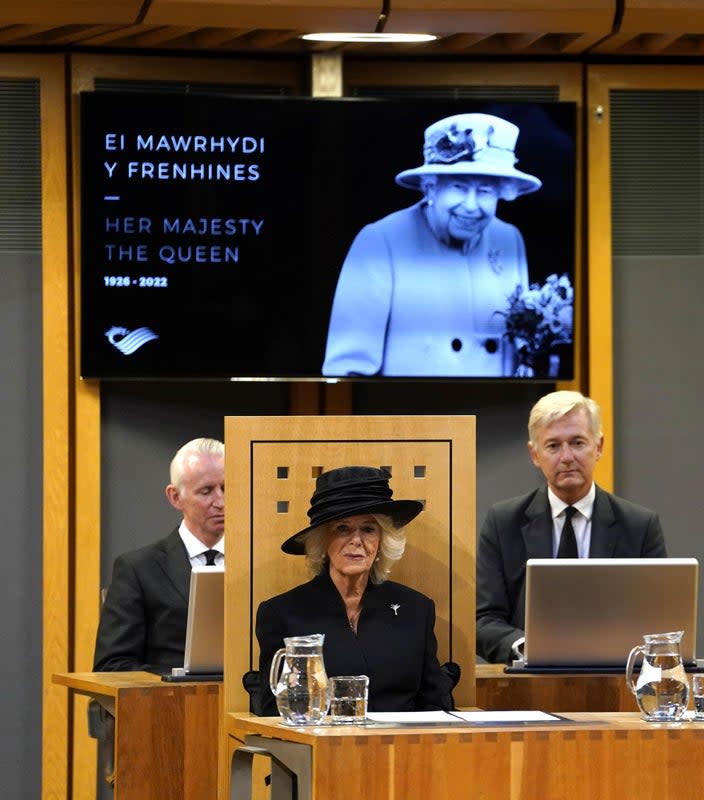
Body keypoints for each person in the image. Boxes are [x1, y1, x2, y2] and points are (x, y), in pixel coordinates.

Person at [322, 112, 542, 378]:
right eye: (459, 187)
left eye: (485, 191)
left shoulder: (509, 239)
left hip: (496, 412)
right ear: (431, 187)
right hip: (412, 414)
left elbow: (518, 355)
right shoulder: (380, 241)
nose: (471, 206)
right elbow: (348, 371)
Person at [476, 390, 668, 663]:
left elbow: (658, 620)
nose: (566, 456)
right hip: (526, 684)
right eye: (553, 446)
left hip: (614, 681)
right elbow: (484, 620)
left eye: (577, 443)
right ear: (534, 454)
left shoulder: (639, 525)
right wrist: (527, 647)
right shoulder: (503, 522)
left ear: (599, 447)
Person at [250, 466, 452, 715]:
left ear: (382, 541)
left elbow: (435, 705)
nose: (356, 540)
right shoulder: (282, 613)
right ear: (322, 540)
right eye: (342, 528)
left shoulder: (416, 609)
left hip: (401, 750)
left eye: (368, 529)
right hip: (320, 749)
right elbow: (274, 712)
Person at [93, 437, 225, 672]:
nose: (221, 502)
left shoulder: (255, 563)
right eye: (206, 491)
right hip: (169, 701)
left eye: (227, 488)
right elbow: (112, 666)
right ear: (175, 497)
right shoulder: (138, 569)